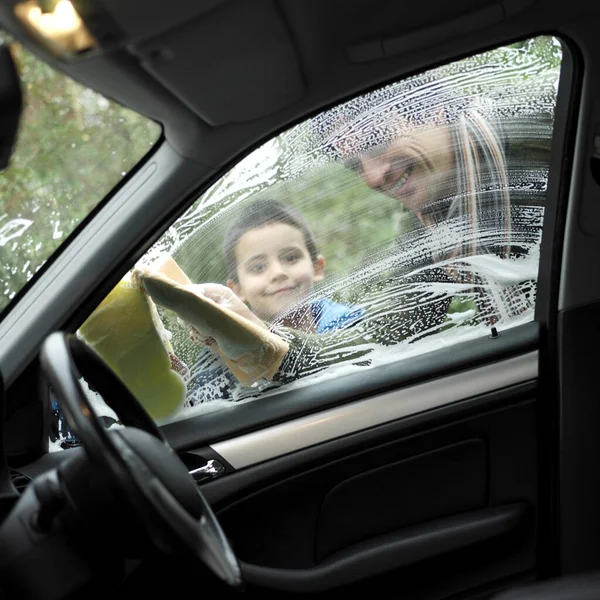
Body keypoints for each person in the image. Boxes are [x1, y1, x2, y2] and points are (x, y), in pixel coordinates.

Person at [191, 78, 545, 388]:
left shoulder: (547, 133)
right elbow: (382, 338)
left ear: (435, 110)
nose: (372, 177)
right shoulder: (427, 226)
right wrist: (254, 335)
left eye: (376, 142)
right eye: (354, 164)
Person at [223, 198, 364, 333]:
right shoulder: (227, 353)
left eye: (291, 258)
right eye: (258, 267)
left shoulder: (358, 326)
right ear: (237, 290)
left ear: (317, 267)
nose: (278, 273)